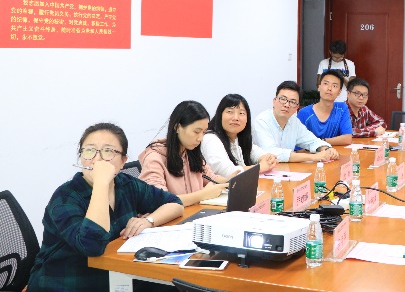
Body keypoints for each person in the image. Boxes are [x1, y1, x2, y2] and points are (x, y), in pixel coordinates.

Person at [28, 123, 184, 291]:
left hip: (116, 275)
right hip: (65, 283)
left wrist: (149, 220)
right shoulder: (65, 197)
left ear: (123, 161)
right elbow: (92, 246)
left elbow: (175, 204)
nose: (97, 159)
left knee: (178, 284)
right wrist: (101, 184)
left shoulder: (126, 184)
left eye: (108, 151)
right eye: (89, 150)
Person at [139, 100, 229, 206]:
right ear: (177, 127)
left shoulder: (190, 152)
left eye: (204, 132)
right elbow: (160, 201)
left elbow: (211, 178)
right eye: (196, 132)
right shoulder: (154, 158)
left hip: (193, 212)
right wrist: (203, 194)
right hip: (172, 216)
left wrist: (230, 181)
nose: (201, 138)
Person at [252, 80, 340, 163]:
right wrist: (312, 157)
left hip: (286, 170)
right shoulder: (262, 121)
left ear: (297, 107)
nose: (287, 105)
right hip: (263, 171)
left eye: (293, 102)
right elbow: (271, 153)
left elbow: (312, 141)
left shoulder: (294, 122)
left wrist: (327, 149)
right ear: (274, 101)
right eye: (283, 99)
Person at [201, 94, 278, 177]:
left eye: (241, 113)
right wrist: (259, 167)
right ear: (220, 115)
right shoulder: (210, 139)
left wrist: (269, 159)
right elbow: (227, 172)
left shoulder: (238, 138)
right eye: (230, 112)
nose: (236, 118)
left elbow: (258, 153)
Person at [297, 70, 353, 145]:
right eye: (326, 84)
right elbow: (299, 144)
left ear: (339, 92)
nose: (329, 88)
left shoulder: (342, 108)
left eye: (334, 86)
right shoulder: (304, 113)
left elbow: (347, 139)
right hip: (311, 152)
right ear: (319, 87)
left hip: (335, 152)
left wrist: (321, 141)